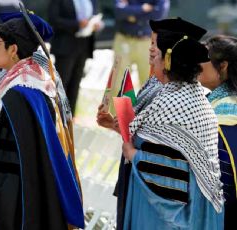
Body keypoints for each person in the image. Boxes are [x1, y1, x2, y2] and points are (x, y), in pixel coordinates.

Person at [0, 11, 84, 229]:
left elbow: (17, 158)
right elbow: (10, 137)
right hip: (29, 193)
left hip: (15, 203)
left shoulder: (19, 93)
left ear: (13, 49)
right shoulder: (29, 82)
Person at [97, 17, 208, 230]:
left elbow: (170, 164)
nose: (150, 52)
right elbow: (149, 135)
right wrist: (115, 125)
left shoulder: (175, 100)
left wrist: (133, 155)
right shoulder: (163, 87)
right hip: (148, 187)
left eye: (155, 45)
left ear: (170, 57)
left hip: (164, 204)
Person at [121, 30, 224, 229]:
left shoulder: (169, 104)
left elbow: (167, 168)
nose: (152, 60)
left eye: (156, 55)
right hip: (201, 205)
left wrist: (133, 154)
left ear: (168, 62)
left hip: (169, 214)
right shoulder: (196, 97)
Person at [199, 35, 237, 230]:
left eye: (204, 58)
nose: (198, 63)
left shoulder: (223, 113)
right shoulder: (214, 102)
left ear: (222, 66)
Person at [48, 0, 103, 115]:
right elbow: (53, 19)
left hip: (84, 44)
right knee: (61, 84)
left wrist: (95, 25)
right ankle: (56, 117)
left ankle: (70, 118)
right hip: (65, 45)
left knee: (75, 84)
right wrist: (76, 24)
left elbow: (95, 13)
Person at [112, 0, 169, 99]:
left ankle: (147, 115)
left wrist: (131, 14)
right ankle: (119, 115)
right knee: (119, 84)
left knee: (149, 85)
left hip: (148, 42)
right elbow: (119, 11)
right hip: (124, 39)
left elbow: (158, 13)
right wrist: (143, 8)